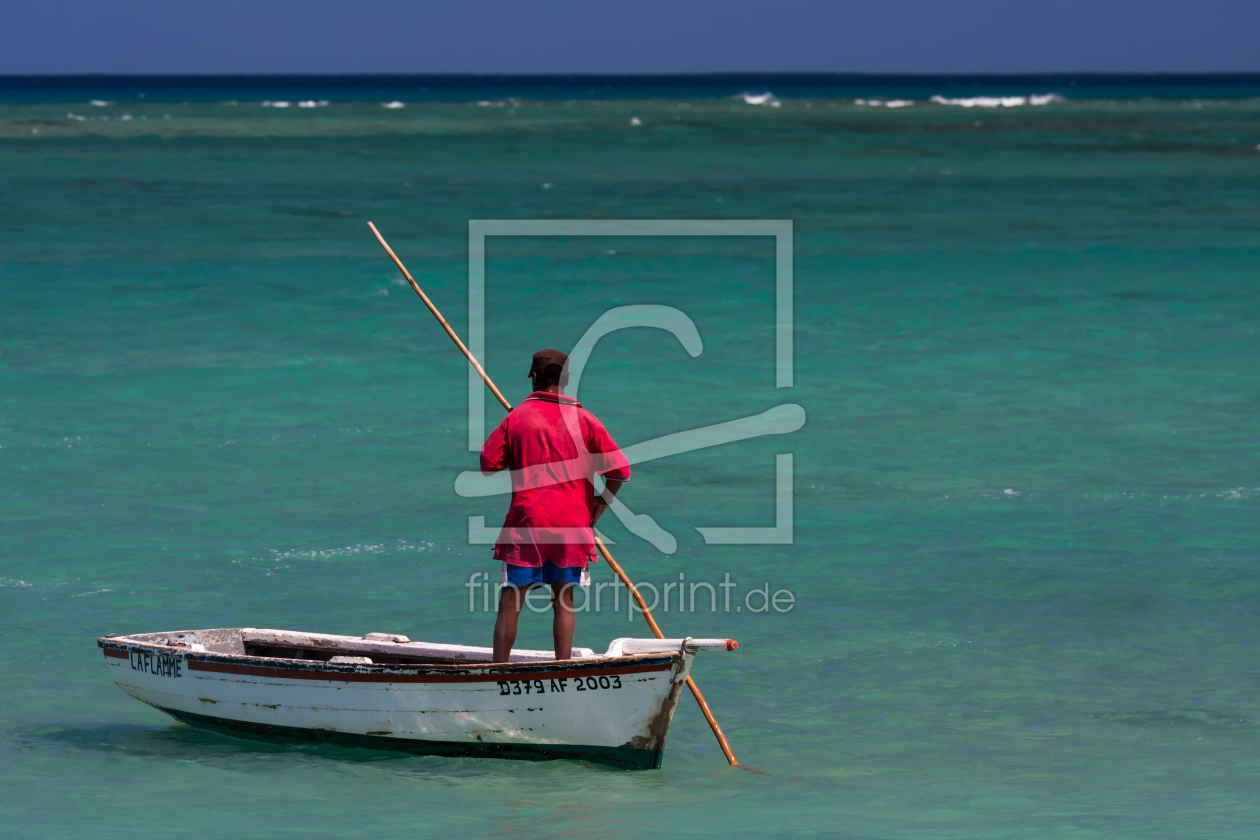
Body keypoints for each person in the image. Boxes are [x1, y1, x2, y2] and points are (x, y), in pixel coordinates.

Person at [480, 349, 630, 662]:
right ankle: (562, 667)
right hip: (572, 524)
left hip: (528, 522)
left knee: (511, 599)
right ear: (566, 380)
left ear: (533, 377)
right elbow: (620, 471)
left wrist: (517, 448)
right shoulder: (585, 420)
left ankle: (499, 673)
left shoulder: (517, 418)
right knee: (564, 599)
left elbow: (488, 463)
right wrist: (599, 506)